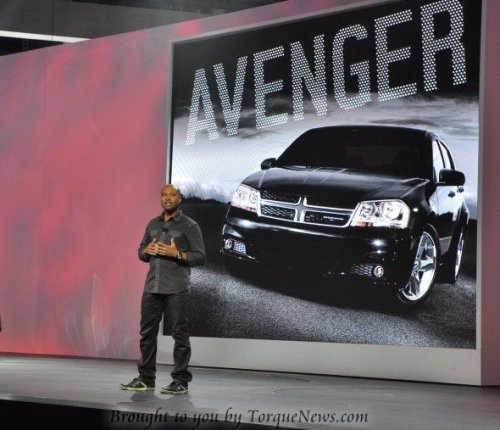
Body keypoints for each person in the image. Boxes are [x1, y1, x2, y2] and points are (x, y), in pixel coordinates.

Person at [120, 184, 206, 394]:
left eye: (172, 195)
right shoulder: (152, 224)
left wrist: (175, 254)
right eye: (164, 195)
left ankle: (180, 381)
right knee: (147, 334)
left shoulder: (189, 225)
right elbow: (141, 251)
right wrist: (146, 250)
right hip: (152, 286)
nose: (167, 198)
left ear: (180, 198)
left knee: (179, 334)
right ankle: (146, 378)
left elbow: (200, 257)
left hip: (176, 288)